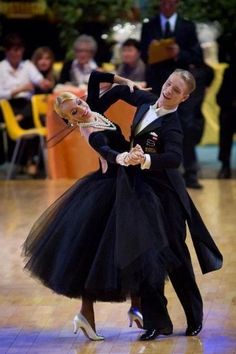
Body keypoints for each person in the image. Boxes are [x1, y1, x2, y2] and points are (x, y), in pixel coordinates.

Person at [22, 71, 180, 340]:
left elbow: (95, 77)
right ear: (69, 120)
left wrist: (125, 82)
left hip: (128, 185)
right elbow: (107, 152)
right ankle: (88, 314)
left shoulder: (92, 107)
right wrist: (125, 157)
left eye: (80, 104)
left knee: (136, 247)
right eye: (75, 111)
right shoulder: (91, 131)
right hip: (110, 189)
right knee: (97, 256)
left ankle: (136, 306)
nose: (82, 110)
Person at [95, 69, 223, 340]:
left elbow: (175, 158)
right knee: (146, 256)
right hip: (140, 192)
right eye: (168, 84)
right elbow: (114, 92)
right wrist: (118, 88)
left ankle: (194, 315)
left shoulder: (174, 124)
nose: (168, 92)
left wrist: (146, 160)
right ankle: (157, 322)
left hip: (167, 196)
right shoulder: (146, 100)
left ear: (185, 97)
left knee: (176, 255)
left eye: (176, 91)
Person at [140, 0, 206, 189]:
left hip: (180, 88)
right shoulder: (149, 26)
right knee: (153, 126)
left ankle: (191, 173)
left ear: (177, 3)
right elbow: (143, 55)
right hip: (158, 85)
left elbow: (197, 56)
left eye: (171, 2)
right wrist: (153, 50)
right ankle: (150, 168)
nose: (167, 5)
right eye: (164, 2)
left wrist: (179, 53)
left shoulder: (187, 26)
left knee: (186, 126)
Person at [0, 33, 52, 175]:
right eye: (15, 50)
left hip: (26, 106)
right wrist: (20, 89)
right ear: (7, 51)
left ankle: (23, 161)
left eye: (20, 50)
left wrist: (44, 83)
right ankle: (31, 161)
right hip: (8, 106)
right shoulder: (1, 68)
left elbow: (38, 79)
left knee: (31, 105)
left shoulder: (27, 66)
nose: (18, 54)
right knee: (29, 113)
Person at [216, 33, 236, 179]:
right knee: (225, 137)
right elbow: (221, 95)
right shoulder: (230, 71)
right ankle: (225, 166)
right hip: (229, 107)